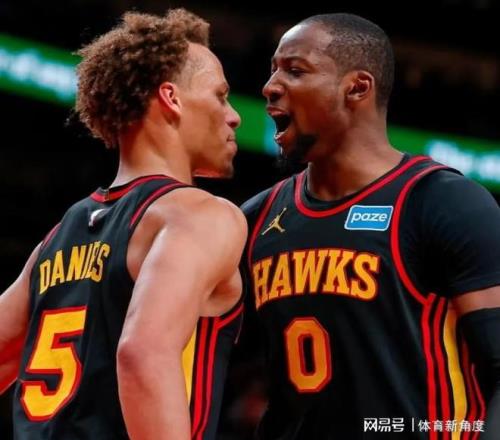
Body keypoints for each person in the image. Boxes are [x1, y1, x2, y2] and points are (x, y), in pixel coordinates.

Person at [242, 13, 500, 439]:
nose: (270, 86)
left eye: (295, 70)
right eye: (273, 70)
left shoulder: (442, 201)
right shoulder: (257, 218)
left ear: (358, 88)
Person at [0, 8, 247, 440]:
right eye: (220, 95)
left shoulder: (58, 236)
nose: (234, 116)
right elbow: (143, 354)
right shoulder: (198, 214)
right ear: (171, 98)